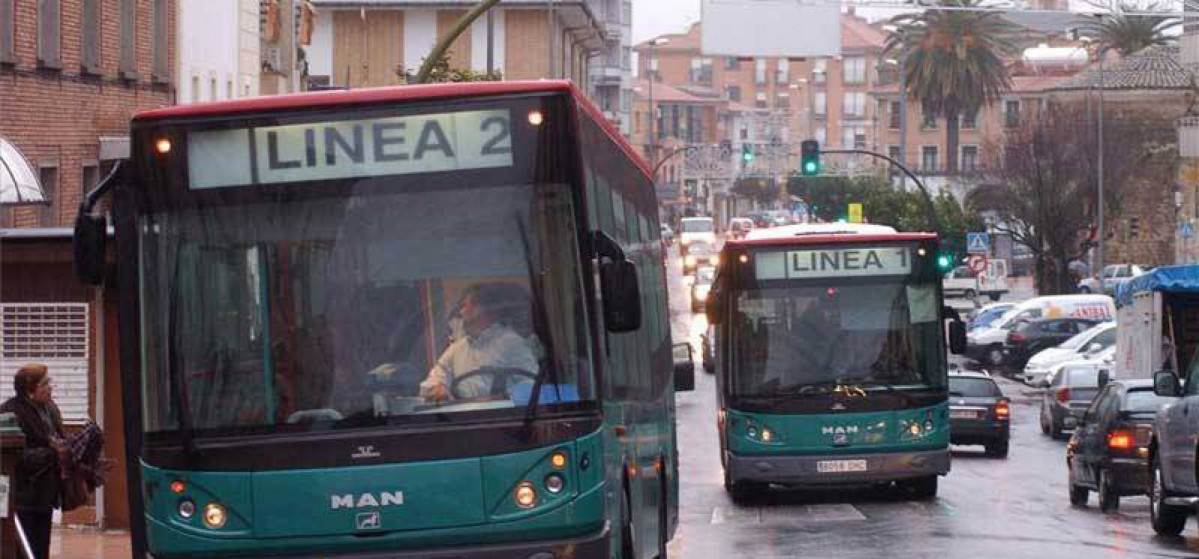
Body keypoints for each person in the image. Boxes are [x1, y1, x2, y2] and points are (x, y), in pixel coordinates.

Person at [420, 283, 539, 403]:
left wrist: (500, 398)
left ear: (483, 308)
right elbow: (432, 381)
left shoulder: (513, 344)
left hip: (506, 417)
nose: (461, 313)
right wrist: (437, 388)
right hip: (461, 418)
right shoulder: (456, 349)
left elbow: (531, 386)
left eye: (464, 306)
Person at [0, 364, 66, 559]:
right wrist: (51, 454)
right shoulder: (10, 413)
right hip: (22, 497)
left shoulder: (50, 410)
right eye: (45, 383)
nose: (50, 387)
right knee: (23, 548)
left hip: (45, 494)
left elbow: (58, 439)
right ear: (30, 390)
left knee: (40, 548)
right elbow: (16, 456)